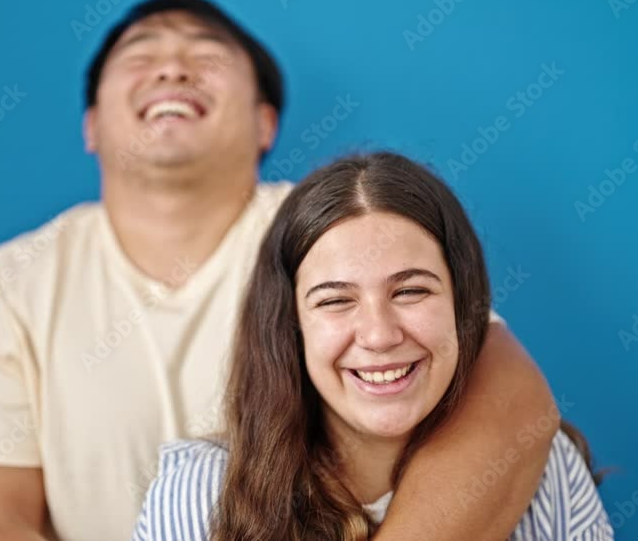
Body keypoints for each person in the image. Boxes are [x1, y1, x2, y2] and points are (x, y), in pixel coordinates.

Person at [0, 0, 560, 541]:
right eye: (140, 53)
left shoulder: (332, 235)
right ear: (92, 125)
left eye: (207, 54)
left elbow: (506, 392)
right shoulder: (12, 280)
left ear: (266, 122)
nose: (173, 66)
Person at [133, 152, 613, 540]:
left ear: (464, 309)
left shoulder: (545, 471)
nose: (380, 335)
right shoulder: (195, 494)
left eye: (410, 291)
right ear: (290, 327)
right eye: (336, 300)